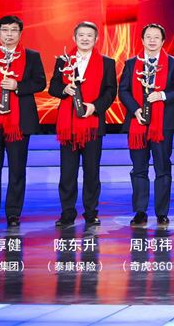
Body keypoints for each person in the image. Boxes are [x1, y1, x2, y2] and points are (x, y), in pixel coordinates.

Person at [0, 15, 46, 228]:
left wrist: (17, 86)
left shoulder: (32, 56)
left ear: (20, 33)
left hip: (19, 123)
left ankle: (13, 214)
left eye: (14, 30)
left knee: (17, 170)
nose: (9, 34)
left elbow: (40, 82)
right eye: (5, 30)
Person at [48, 21, 117, 228]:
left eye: (89, 35)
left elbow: (110, 92)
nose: (85, 39)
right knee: (67, 173)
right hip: (68, 126)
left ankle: (91, 213)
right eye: (81, 35)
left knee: (91, 172)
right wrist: (64, 90)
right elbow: (53, 87)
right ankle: (67, 213)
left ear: (96, 39)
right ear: (74, 38)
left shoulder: (107, 63)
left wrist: (94, 107)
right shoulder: (63, 60)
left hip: (93, 126)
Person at [118, 23, 174, 228]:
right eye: (148, 37)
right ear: (142, 40)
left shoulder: (172, 63)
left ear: (163, 41)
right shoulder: (131, 63)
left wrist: (162, 95)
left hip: (163, 124)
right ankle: (140, 211)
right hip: (137, 123)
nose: (152, 40)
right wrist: (135, 110)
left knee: (162, 168)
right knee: (139, 169)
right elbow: (123, 90)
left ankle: (162, 213)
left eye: (157, 37)